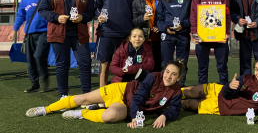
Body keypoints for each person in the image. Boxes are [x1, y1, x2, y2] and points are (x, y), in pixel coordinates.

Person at [26, 60, 184, 128]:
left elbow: (175, 110)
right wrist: (136, 116)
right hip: (122, 91)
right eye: (167, 72)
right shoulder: (153, 76)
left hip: (127, 107)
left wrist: (165, 116)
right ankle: (45, 109)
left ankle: (83, 112)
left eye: (173, 74)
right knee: (83, 97)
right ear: (164, 71)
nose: (168, 76)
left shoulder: (176, 91)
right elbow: (137, 97)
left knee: (109, 116)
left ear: (179, 77)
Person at [37, 0, 95, 98]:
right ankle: (64, 95)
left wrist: (82, 17)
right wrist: (56, 17)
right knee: (63, 65)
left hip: (79, 34)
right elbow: (42, 9)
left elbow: (91, 12)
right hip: (58, 33)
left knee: (85, 63)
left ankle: (86, 96)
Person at [181, 58, 258, 126]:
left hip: (222, 106)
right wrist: (229, 87)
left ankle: (169, 104)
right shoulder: (247, 78)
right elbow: (227, 94)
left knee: (188, 104)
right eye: (256, 69)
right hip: (219, 90)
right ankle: (167, 93)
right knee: (189, 91)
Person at [95, 0, 137, 89]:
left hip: (125, 33)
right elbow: (96, 7)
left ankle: (123, 92)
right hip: (106, 31)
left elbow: (134, 11)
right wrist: (99, 16)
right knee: (104, 63)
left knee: (126, 64)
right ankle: (102, 94)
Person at [190, 0, 231, 85]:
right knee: (202, 69)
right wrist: (194, 33)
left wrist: (226, 33)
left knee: (222, 68)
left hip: (220, 37)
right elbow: (193, 16)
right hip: (202, 37)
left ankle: (224, 95)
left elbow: (227, 16)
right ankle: (201, 94)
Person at [8, 0, 50, 93]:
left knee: (39, 55)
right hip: (30, 33)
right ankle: (34, 83)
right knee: (30, 59)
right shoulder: (25, 1)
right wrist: (14, 30)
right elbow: (20, 16)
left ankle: (44, 78)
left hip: (45, 32)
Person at [156, 0, 192, 87]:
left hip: (183, 35)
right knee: (166, 64)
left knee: (182, 64)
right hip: (167, 36)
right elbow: (159, 18)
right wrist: (165, 28)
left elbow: (192, 17)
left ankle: (180, 88)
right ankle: (165, 89)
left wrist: (183, 25)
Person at [132, 0, 162, 72]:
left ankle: (158, 86)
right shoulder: (136, 1)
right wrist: (142, 18)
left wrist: (159, 26)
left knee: (158, 64)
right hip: (144, 38)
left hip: (158, 37)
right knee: (145, 66)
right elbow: (133, 21)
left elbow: (165, 16)